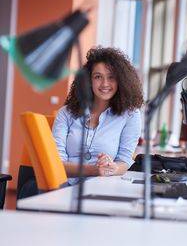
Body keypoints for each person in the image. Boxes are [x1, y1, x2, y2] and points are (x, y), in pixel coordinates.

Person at [52, 46, 144, 184]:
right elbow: (56, 164)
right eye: (98, 77)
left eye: (111, 77)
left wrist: (112, 168)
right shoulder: (66, 113)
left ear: (121, 81)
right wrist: (94, 170)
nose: (105, 84)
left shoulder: (131, 115)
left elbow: (124, 161)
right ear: (88, 80)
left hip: (105, 186)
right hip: (65, 187)